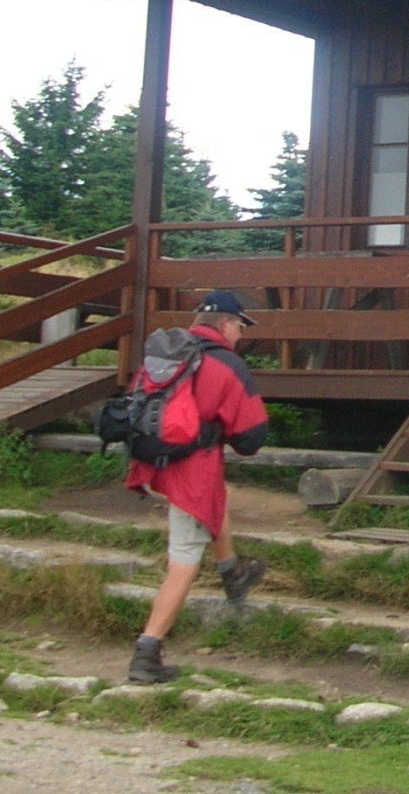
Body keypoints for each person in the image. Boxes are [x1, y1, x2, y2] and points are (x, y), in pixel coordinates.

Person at [125, 288, 271, 684]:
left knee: (212, 497)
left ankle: (232, 572)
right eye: (240, 325)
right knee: (183, 562)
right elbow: (252, 438)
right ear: (225, 324)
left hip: (154, 464)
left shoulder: (167, 354)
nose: (240, 333)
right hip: (189, 473)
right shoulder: (226, 364)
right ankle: (147, 652)